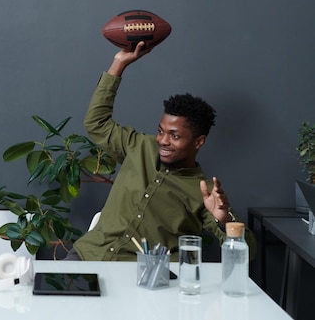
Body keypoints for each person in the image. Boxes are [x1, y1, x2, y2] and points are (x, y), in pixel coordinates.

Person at [67, 41, 256, 261]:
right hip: (87, 255)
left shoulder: (205, 192)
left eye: (175, 136)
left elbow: (248, 253)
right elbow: (96, 123)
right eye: (160, 131)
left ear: (199, 142)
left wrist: (224, 221)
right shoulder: (140, 146)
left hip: (144, 278)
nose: (163, 141)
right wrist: (118, 64)